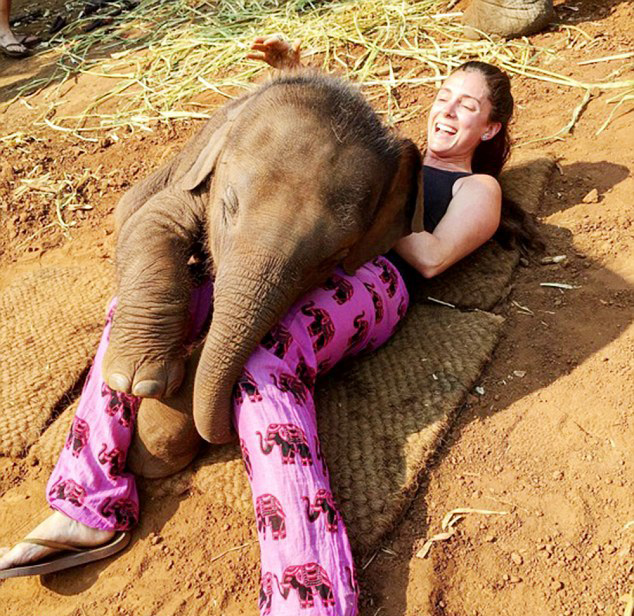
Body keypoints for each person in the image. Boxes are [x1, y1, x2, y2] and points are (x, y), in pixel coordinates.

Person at [0, 35, 539, 615]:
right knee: (139, 306)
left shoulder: (475, 188)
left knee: (265, 357)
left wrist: (355, 207)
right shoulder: (384, 153)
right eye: (444, 96)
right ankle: (88, 501)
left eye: (467, 106)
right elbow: (323, 143)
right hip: (292, 253)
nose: (448, 111)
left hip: (376, 279)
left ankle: (309, 596)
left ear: (490, 128)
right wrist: (295, 89)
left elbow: (431, 257)